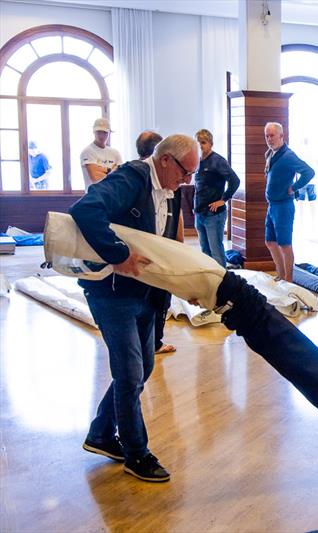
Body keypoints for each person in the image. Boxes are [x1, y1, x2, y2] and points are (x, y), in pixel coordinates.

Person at [70, 134, 199, 482]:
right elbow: (85, 209)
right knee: (128, 375)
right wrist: (119, 254)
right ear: (166, 160)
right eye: (185, 172)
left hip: (146, 293)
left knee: (141, 370)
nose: (187, 181)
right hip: (112, 293)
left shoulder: (170, 189)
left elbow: (166, 244)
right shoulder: (131, 178)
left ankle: (100, 434)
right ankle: (136, 454)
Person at [135, 130, 181, 356]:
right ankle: (151, 342)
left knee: (156, 298)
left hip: (159, 250)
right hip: (148, 253)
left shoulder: (171, 179)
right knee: (154, 299)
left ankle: (151, 342)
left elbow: (174, 213)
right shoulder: (137, 177)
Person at [264, 122, 314, 283]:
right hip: (272, 205)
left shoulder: (288, 156)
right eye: (267, 136)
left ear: (281, 136)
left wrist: (294, 187)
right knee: (270, 241)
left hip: (283, 206)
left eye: (272, 135)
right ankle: (280, 274)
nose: (269, 139)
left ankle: (289, 280)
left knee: (285, 244)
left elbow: (309, 172)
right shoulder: (271, 154)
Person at [193, 129, 241, 267]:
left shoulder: (218, 161)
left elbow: (235, 181)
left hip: (214, 215)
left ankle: (223, 284)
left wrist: (223, 199)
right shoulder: (197, 161)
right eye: (198, 143)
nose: (200, 146)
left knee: (216, 252)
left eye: (203, 142)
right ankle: (210, 281)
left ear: (211, 144)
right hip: (199, 213)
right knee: (205, 251)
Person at [80, 117, 122, 189]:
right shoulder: (88, 151)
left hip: (112, 195)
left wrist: (101, 170)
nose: (101, 136)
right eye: (98, 132)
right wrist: (111, 169)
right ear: (93, 132)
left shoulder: (115, 153)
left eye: (104, 132)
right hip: (94, 196)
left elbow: (120, 177)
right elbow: (96, 178)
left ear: (109, 133)